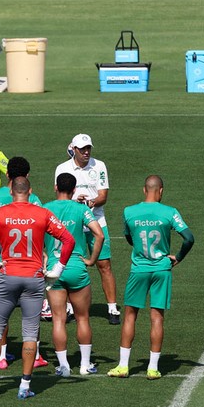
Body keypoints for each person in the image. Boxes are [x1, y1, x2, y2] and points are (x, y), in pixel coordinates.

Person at [0, 176, 75, 400]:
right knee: (30, 333)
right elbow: (69, 240)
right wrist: (57, 269)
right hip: (34, 278)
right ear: (30, 191)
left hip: (8, 276)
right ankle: (25, 386)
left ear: (11, 192)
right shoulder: (42, 213)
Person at [108, 174, 193, 379]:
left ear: (144, 190)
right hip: (162, 269)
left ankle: (123, 366)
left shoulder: (129, 212)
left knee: (130, 315)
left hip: (139, 269)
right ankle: (153, 368)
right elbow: (189, 238)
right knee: (157, 317)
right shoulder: (170, 212)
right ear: (161, 191)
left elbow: (129, 237)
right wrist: (178, 257)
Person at [55, 133, 120, 325]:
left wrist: (91, 202)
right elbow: (60, 194)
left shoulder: (99, 166)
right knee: (70, 264)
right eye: (82, 149)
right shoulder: (62, 168)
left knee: (104, 264)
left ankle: (112, 307)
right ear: (73, 149)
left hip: (96, 220)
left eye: (88, 148)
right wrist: (75, 202)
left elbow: (103, 196)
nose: (86, 152)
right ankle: (69, 307)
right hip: (73, 222)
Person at [44, 172, 104, 377]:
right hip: (77, 267)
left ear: (56, 187)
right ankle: (85, 365)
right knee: (83, 318)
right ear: (74, 190)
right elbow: (99, 235)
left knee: (58, 319)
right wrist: (92, 260)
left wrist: (44, 256)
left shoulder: (45, 209)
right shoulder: (81, 209)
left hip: (54, 270)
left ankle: (63, 367)